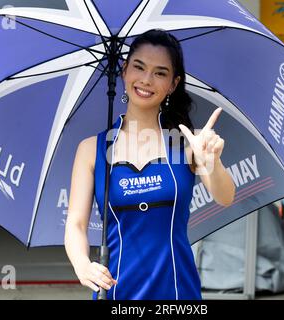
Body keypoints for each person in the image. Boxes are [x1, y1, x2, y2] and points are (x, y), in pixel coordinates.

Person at [64, 29, 236, 300]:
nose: (146, 80)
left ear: (173, 83)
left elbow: (226, 196)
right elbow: (75, 224)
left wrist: (211, 161)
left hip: (178, 295)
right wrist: (82, 264)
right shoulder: (91, 150)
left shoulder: (186, 145)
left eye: (160, 72)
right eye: (139, 67)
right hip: (116, 293)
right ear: (124, 70)